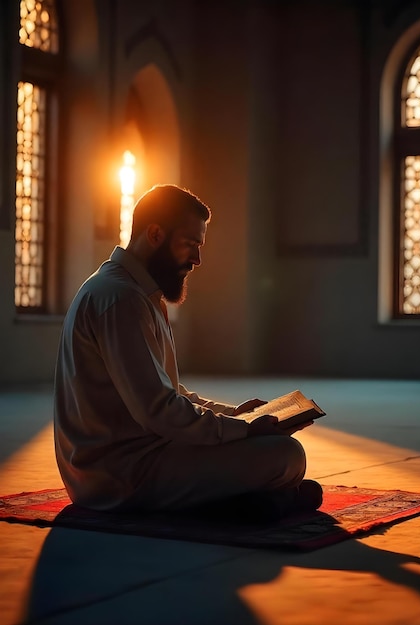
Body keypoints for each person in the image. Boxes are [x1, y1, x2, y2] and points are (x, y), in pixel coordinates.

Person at [53, 184, 322, 521]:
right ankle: (246, 503)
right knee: (285, 455)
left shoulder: (133, 292)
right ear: (154, 234)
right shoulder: (120, 299)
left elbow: (166, 392)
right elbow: (159, 411)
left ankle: (255, 501)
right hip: (119, 475)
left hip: (142, 455)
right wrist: (245, 430)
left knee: (276, 453)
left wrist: (236, 415)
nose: (197, 260)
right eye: (191, 245)